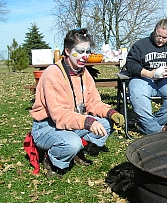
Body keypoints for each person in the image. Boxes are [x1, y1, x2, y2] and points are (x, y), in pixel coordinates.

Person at [30, 28, 124, 178]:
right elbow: (60, 115)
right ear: (67, 51)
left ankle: (77, 152)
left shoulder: (83, 73)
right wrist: (88, 122)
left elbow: (93, 102)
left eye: (87, 51)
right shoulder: (53, 74)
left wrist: (111, 113)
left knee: (106, 123)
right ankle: (52, 160)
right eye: (80, 51)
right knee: (72, 143)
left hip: (72, 121)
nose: (85, 56)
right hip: (47, 126)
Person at [125, 17, 167, 135]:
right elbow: (130, 63)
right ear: (154, 31)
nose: (160, 40)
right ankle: (157, 130)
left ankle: (147, 125)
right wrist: (148, 73)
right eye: (157, 35)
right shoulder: (141, 45)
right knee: (137, 95)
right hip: (144, 78)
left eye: (164, 37)